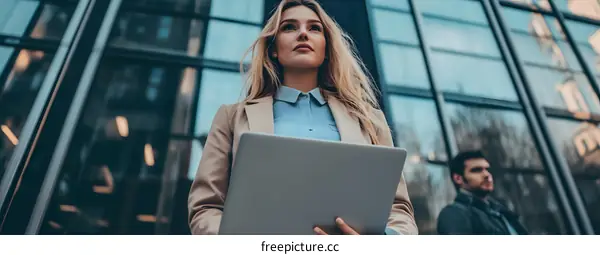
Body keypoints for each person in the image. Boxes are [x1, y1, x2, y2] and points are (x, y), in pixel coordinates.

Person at [187, 0, 417, 235]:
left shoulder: (370, 121)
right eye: (289, 27)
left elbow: (398, 209)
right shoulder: (231, 118)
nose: (303, 34)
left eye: (314, 28)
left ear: (326, 48)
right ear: (273, 48)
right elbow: (206, 206)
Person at [437, 150, 529, 235]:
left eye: (487, 169)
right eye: (477, 170)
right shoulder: (454, 213)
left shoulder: (500, 211)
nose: (487, 175)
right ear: (458, 178)